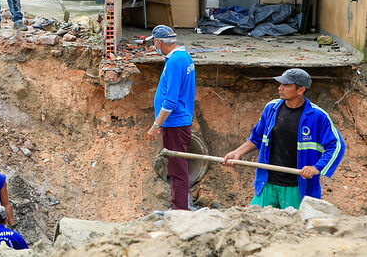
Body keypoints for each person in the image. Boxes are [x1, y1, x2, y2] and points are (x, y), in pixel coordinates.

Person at [223, 68, 345, 209]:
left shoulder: (317, 116)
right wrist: (237, 153)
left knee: (295, 227)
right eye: (280, 84)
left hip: (297, 187)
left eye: (286, 85)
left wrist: (316, 168)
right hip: (267, 183)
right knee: (255, 221)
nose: (280, 88)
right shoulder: (271, 108)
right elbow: (256, 137)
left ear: (300, 90)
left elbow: (337, 146)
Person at [144, 25, 195, 210]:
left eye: (154, 43)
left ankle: (180, 210)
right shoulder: (184, 56)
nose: (154, 47)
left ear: (159, 42)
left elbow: (170, 101)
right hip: (179, 122)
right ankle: (179, 207)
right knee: (177, 167)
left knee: (177, 170)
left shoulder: (174, 62)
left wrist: (155, 126)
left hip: (175, 124)